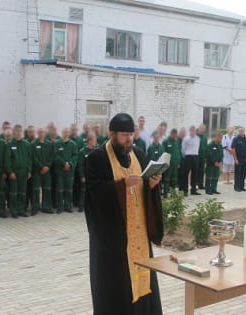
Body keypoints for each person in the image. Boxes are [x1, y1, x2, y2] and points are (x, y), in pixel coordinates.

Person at [85, 113, 163, 315]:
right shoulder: (97, 158)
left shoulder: (139, 154)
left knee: (144, 280)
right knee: (116, 288)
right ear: (112, 134)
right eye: (123, 135)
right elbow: (94, 194)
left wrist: (152, 186)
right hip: (114, 240)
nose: (129, 139)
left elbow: (144, 189)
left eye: (131, 134)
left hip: (139, 236)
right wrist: (121, 185)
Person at [5, 125, 32, 218]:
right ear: (14, 132)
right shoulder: (10, 144)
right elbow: (7, 160)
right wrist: (10, 172)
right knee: (13, 193)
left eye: (20, 131)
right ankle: (14, 211)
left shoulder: (26, 144)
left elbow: (30, 159)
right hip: (14, 173)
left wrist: (29, 170)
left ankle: (21, 210)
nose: (19, 133)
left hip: (24, 173)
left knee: (22, 192)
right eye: (17, 131)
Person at [53, 127, 78, 213]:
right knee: (59, 189)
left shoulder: (73, 144)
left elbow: (75, 156)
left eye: (67, 132)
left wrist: (70, 164)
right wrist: (64, 163)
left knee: (69, 189)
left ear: (69, 133)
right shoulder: (57, 143)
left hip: (69, 171)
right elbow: (55, 156)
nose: (66, 133)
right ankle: (60, 207)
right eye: (64, 132)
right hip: (60, 170)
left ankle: (68, 206)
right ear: (62, 133)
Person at [31, 128, 53, 215]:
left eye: (42, 132)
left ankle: (46, 207)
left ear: (45, 133)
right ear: (37, 133)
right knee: (36, 189)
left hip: (47, 171)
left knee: (47, 188)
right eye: (39, 132)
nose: (41, 134)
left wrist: (47, 166)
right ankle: (35, 208)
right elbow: (34, 157)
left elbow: (52, 156)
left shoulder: (49, 144)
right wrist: (41, 167)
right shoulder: (33, 144)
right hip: (37, 171)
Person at [77, 132, 97, 212]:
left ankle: (92, 207)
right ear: (89, 141)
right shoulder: (82, 151)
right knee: (83, 191)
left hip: (94, 176)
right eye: (94, 139)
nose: (95, 141)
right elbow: (80, 165)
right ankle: (81, 207)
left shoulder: (96, 151)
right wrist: (82, 176)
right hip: (86, 175)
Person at [181, 126, 200, 196]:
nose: (193, 132)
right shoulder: (186, 139)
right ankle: (185, 191)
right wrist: (185, 156)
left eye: (194, 130)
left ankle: (193, 190)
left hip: (196, 156)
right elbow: (183, 149)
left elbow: (198, 148)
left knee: (195, 174)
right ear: (189, 131)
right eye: (191, 130)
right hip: (188, 157)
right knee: (186, 174)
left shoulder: (198, 138)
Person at [162, 128, 180, 198]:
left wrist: (179, 162)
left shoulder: (176, 141)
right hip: (168, 164)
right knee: (167, 179)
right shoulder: (166, 141)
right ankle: (165, 194)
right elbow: (164, 153)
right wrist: (165, 163)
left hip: (175, 164)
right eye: (173, 134)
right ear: (171, 133)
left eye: (175, 134)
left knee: (174, 179)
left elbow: (178, 152)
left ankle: (173, 194)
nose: (174, 136)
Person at [232, 128, 246, 192]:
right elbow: (233, 149)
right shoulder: (235, 139)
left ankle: (242, 186)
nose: (241, 132)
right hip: (238, 158)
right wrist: (235, 159)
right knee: (238, 173)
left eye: (242, 131)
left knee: (243, 173)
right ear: (238, 132)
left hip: (245, 158)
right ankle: (237, 187)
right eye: (240, 131)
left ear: (244, 131)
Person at [197, 124, 208, 189]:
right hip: (196, 156)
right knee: (196, 171)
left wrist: (206, 156)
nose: (203, 130)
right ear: (199, 128)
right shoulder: (195, 136)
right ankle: (195, 184)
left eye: (204, 129)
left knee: (202, 171)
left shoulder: (205, 137)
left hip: (202, 157)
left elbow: (206, 147)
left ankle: (200, 184)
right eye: (202, 128)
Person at [177, 127, 187, 192]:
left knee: (184, 175)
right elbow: (178, 152)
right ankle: (180, 188)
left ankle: (183, 189)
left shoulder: (185, 140)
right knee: (180, 175)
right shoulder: (177, 141)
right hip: (179, 161)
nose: (183, 135)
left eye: (184, 133)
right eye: (182, 133)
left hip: (185, 161)